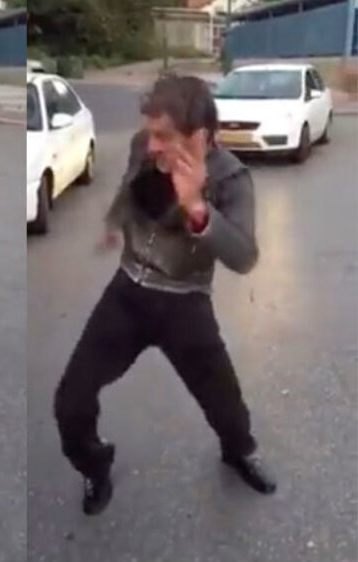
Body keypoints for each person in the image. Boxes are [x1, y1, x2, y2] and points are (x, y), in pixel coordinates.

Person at [53, 75, 276, 516]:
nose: (150, 144)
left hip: (184, 302)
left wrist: (197, 208)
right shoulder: (143, 148)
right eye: (149, 133)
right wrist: (114, 223)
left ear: (199, 137)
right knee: (70, 401)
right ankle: (94, 465)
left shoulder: (231, 178)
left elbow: (245, 257)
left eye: (163, 136)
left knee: (225, 402)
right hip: (128, 291)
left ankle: (238, 452)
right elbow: (127, 187)